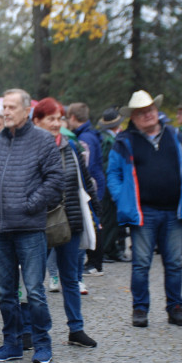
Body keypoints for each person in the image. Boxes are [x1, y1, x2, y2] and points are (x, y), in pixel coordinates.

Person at [0, 89, 64, 363]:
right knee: (5, 291)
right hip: (1, 229)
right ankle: (12, 343)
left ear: (27, 110)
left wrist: (30, 204)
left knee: (35, 291)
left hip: (29, 228)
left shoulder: (43, 141)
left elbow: (56, 180)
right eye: (4, 106)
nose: (6, 111)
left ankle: (41, 344)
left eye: (12, 107)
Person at [107, 90, 182, 329]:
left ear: (156, 110)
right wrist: (124, 200)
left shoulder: (175, 136)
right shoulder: (124, 141)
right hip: (144, 213)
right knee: (141, 263)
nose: (148, 115)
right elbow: (114, 175)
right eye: (141, 112)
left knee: (173, 262)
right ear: (134, 117)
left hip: (174, 211)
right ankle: (140, 309)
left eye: (150, 110)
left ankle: (175, 308)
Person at [34, 99, 98, 348]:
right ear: (37, 122)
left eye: (59, 118)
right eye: (50, 118)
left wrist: (96, 213)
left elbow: (85, 182)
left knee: (70, 277)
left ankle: (76, 329)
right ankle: (36, 330)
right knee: (35, 280)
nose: (55, 123)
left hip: (69, 220)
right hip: (39, 223)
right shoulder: (30, 149)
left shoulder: (71, 147)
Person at [66, 102, 107, 276]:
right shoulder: (88, 134)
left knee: (93, 222)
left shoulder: (85, 139)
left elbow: (85, 166)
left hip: (92, 185)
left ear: (73, 118)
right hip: (96, 183)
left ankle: (95, 262)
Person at [96, 107, 126, 262]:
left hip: (110, 181)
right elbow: (106, 164)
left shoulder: (109, 137)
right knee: (108, 218)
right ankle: (107, 249)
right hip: (108, 183)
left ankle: (113, 249)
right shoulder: (107, 140)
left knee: (113, 218)